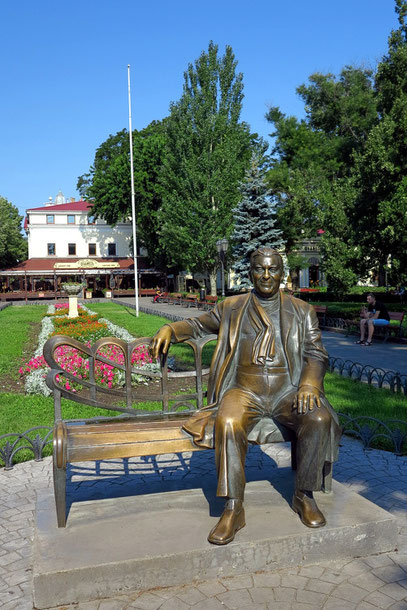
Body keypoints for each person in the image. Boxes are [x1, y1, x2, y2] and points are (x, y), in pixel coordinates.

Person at [150, 247, 341, 545]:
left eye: (272, 269)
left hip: (287, 391)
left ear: (282, 273)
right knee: (227, 420)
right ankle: (233, 507)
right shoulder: (232, 307)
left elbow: (316, 353)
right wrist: (170, 328)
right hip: (244, 390)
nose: (266, 275)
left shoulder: (302, 311)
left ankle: (304, 495)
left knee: (318, 417)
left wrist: (309, 385)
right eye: (259, 269)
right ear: (250, 272)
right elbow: (198, 324)